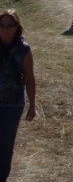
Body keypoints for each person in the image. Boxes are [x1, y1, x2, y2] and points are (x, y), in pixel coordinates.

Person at [0, 10, 36, 182]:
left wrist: (32, 106)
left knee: (5, 146)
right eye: (1, 26)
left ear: (16, 28)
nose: (5, 29)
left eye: (9, 26)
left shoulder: (24, 50)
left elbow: (29, 79)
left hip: (12, 105)